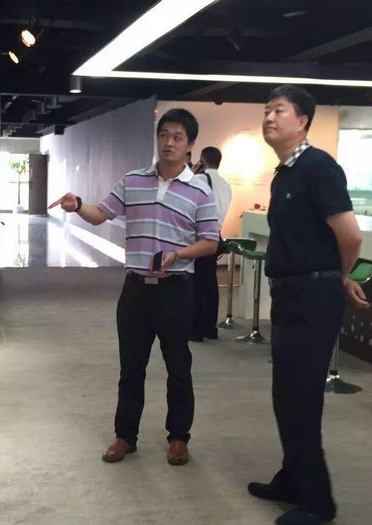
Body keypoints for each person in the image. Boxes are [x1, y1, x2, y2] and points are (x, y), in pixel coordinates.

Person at [49, 109, 219, 466]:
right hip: (136, 290)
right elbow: (101, 214)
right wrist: (77, 206)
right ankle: (125, 436)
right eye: (164, 135)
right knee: (131, 367)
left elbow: (210, 242)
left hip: (176, 290)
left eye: (177, 137)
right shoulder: (133, 180)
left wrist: (178, 254)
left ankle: (178, 437)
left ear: (190, 145)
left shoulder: (200, 190)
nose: (168, 142)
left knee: (178, 367)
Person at [247, 85, 369, 525]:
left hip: (312, 297)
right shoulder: (286, 173)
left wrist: (339, 277)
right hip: (289, 294)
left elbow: (350, 235)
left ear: (302, 122)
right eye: (266, 110)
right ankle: (293, 479)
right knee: (287, 395)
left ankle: (318, 503)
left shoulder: (319, 167)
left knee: (300, 397)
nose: (269, 117)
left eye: (278, 111)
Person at [190, 147, 232, 341]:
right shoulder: (226, 185)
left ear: (202, 160)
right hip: (216, 234)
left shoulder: (198, 179)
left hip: (200, 235)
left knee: (197, 283)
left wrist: (192, 174)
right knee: (210, 282)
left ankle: (196, 329)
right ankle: (210, 328)